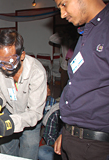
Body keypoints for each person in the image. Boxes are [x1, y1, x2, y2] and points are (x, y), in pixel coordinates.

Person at [0, 30, 47, 160]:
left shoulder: (37, 73)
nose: (3, 67)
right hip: (8, 111)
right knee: (6, 154)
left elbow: (35, 113)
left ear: (22, 56)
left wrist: (8, 124)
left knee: (27, 155)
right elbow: (0, 92)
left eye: (8, 62)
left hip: (30, 119)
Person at [53, 0, 109, 159]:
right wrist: (69, 131)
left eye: (63, 4)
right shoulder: (87, 31)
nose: (62, 14)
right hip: (75, 137)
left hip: (96, 144)